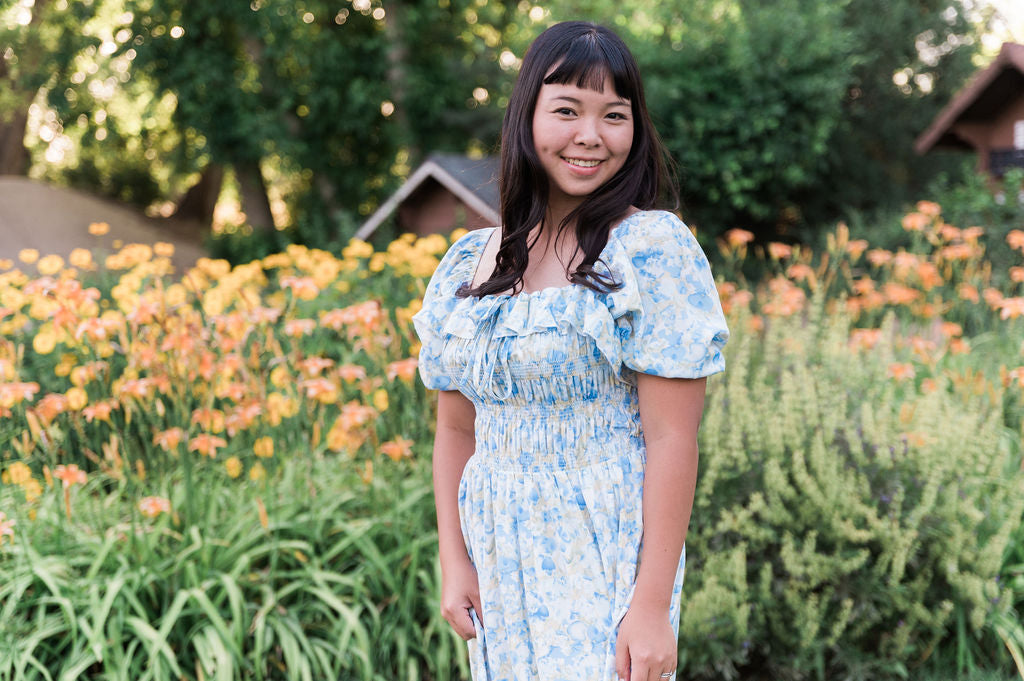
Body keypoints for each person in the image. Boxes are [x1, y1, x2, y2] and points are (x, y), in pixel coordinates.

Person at [410, 20, 729, 681]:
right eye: (567, 110)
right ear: (525, 117)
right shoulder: (472, 260)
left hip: (604, 553)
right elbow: (455, 426)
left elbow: (674, 438)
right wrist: (455, 558)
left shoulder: (650, 250)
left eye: (615, 115)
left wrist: (650, 607)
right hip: (498, 555)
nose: (591, 135)